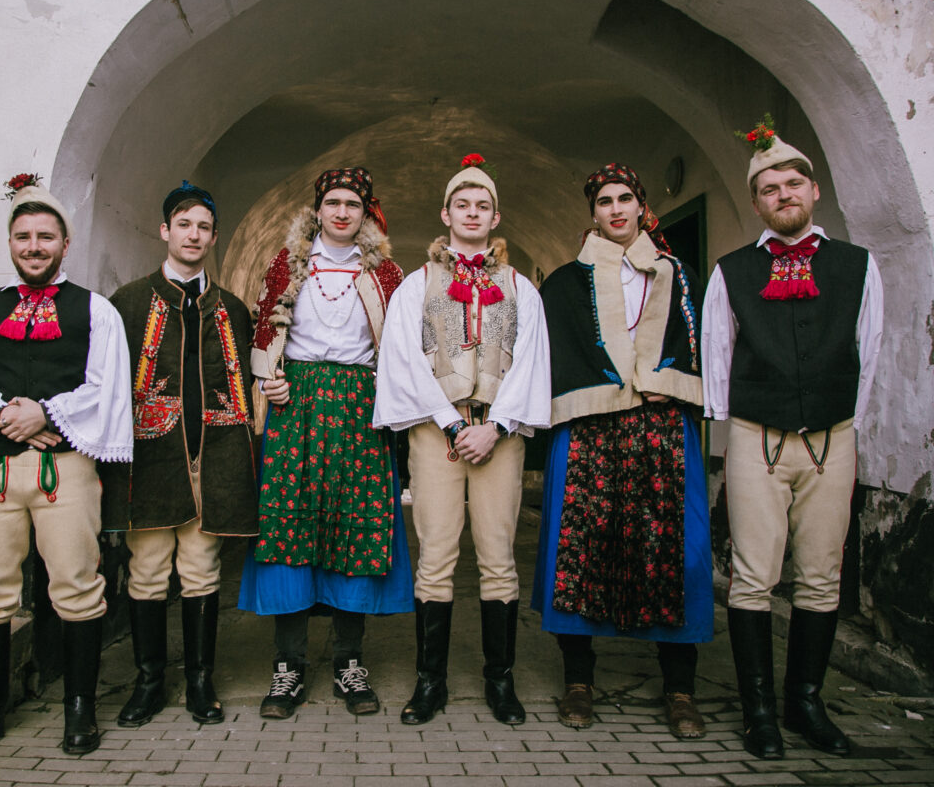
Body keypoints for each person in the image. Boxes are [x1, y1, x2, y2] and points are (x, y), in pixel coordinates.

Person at [0, 175, 133, 757]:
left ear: (66, 244)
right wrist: (8, 415)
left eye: (45, 237)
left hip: (66, 472)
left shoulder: (95, 311)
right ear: (10, 243)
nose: (34, 246)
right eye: (23, 237)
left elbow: (107, 388)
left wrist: (47, 415)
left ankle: (80, 708)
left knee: (76, 587)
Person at [702, 118, 883, 759]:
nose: (784, 194)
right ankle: (758, 711)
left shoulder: (856, 266)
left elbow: (871, 348)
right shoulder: (732, 271)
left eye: (793, 182)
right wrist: (734, 432)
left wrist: (842, 423)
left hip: (833, 439)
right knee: (753, 577)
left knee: (821, 577)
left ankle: (804, 701)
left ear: (813, 191)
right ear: (756, 202)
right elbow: (717, 357)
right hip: (756, 436)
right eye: (770, 187)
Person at [531, 163, 713, 738]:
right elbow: (551, 354)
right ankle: (579, 680)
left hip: (662, 427)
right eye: (605, 201)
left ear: (641, 206)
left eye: (625, 198)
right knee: (580, 547)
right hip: (589, 429)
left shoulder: (677, 276)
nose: (615, 209)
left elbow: (702, 340)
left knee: (673, 549)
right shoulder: (563, 283)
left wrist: (672, 382)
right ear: (594, 212)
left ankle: (680, 688)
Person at [374, 153, 551, 726]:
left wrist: (495, 426)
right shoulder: (416, 284)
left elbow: (531, 362)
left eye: (482, 206)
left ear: (495, 217)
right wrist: (452, 425)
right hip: (437, 430)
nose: (472, 213)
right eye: (462, 205)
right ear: (445, 213)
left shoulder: (521, 287)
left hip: (499, 433)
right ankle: (431, 683)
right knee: (436, 557)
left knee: (499, 559)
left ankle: (500, 681)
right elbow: (402, 360)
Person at [237, 166, 413, 718]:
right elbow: (263, 330)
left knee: (355, 527)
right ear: (318, 210)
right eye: (333, 203)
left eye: (352, 205)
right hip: (298, 403)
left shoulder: (385, 271)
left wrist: (389, 395)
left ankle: (348, 662)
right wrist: (269, 376)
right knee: (289, 526)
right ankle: (288, 667)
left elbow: (401, 344)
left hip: (361, 406)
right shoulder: (286, 264)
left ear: (366, 213)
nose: (341, 212)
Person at [100, 181, 258, 728]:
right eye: (184, 224)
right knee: (145, 570)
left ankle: (199, 680)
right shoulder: (127, 302)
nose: (194, 235)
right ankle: (148, 682)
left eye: (204, 227)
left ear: (214, 238)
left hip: (213, 458)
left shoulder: (232, 309)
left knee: (201, 569)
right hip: (150, 457)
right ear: (166, 231)